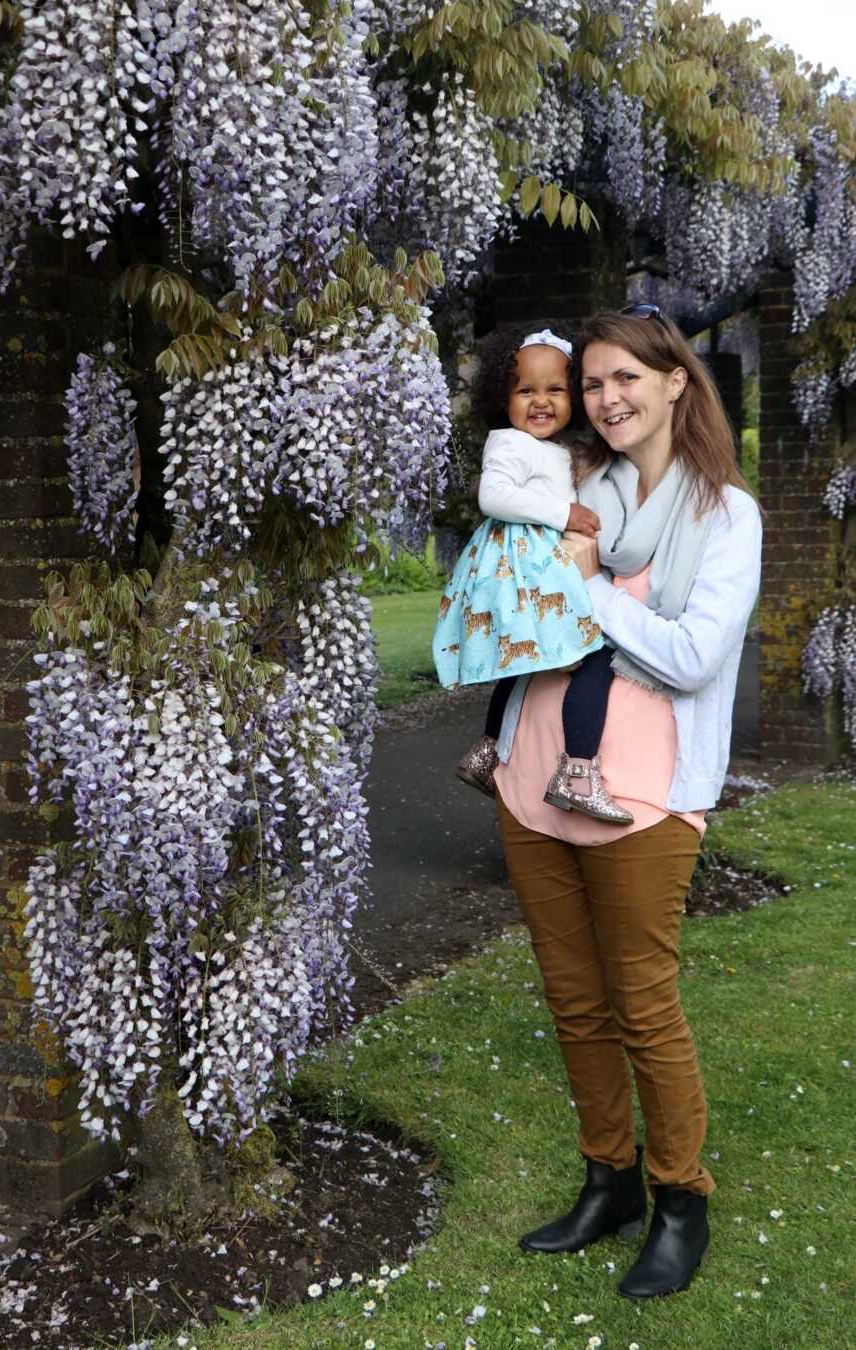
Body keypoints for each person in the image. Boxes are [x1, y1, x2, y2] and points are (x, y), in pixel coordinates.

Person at [493, 304, 761, 1299]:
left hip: (644, 800)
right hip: (535, 779)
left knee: (644, 1007)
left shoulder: (723, 515)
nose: (605, 400)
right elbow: (510, 604)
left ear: (676, 383)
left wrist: (583, 592)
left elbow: (693, 659)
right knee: (573, 1001)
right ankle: (607, 1180)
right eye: (593, 384)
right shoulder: (572, 491)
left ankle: (679, 1200)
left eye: (624, 381)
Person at [433, 324, 633, 826]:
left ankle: (486, 752)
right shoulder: (507, 442)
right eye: (526, 390)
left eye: (555, 390)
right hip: (523, 570)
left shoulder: (561, 450)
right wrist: (563, 513)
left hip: (541, 567)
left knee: (526, 663)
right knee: (593, 653)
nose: (540, 402)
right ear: (503, 398)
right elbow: (493, 496)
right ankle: (577, 771)